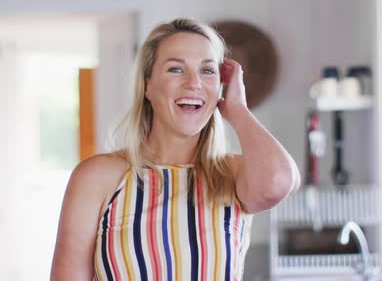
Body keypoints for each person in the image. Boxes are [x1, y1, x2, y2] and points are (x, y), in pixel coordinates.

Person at [50, 18, 300, 280]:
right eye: (176, 69)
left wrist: (238, 111)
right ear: (147, 84)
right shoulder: (98, 177)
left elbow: (279, 180)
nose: (194, 83)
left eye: (207, 71)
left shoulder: (234, 175)